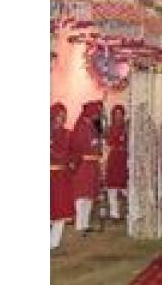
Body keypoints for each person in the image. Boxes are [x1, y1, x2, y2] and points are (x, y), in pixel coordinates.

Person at [71, 100, 103, 235]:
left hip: (92, 165)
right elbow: (79, 146)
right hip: (84, 165)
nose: (98, 115)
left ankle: (86, 224)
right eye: (96, 112)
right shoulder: (81, 126)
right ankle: (80, 225)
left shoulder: (92, 126)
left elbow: (97, 143)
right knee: (82, 195)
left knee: (89, 196)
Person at [51, 102, 74, 250]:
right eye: (58, 115)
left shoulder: (67, 134)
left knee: (59, 210)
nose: (60, 118)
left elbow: (68, 154)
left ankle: (53, 242)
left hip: (60, 177)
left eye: (63, 115)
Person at [105, 104, 127, 220]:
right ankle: (114, 213)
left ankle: (132, 211)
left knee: (125, 187)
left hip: (124, 158)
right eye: (116, 114)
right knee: (112, 187)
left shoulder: (127, 128)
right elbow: (107, 142)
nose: (118, 116)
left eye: (120, 114)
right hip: (113, 158)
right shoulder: (109, 128)